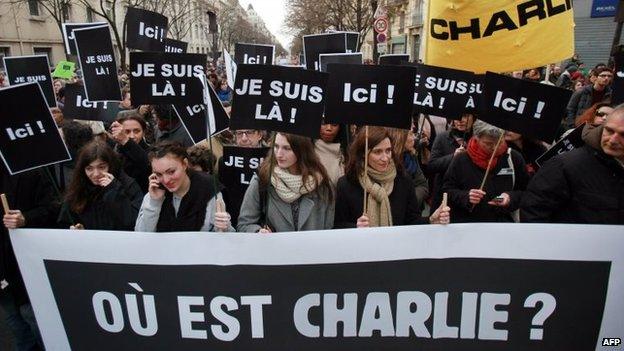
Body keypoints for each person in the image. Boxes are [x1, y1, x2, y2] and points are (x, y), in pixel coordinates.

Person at [520, 107, 624, 224]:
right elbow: (533, 211)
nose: (613, 140)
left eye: (623, 135)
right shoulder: (565, 165)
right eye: (609, 131)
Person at [334, 127, 450, 228]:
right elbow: (338, 225)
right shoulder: (346, 184)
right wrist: (356, 227)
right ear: (363, 153)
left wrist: (431, 220)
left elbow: (412, 222)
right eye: (377, 152)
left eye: (388, 150)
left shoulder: (404, 181)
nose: (385, 158)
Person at [1, 164, 57, 351]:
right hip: (4, 276)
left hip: (22, 267)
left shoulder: (30, 169)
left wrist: (26, 219)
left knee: (33, 320)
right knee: (16, 325)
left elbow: (52, 208)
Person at [237, 133, 334, 232]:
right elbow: (244, 224)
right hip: (274, 247)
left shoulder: (321, 184)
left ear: (301, 150)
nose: (279, 154)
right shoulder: (262, 181)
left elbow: (329, 229)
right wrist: (258, 231)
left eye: (287, 148)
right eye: (276, 146)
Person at [135, 141, 233, 232]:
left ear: (185, 164)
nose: (166, 180)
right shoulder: (155, 190)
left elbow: (227, 236)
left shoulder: (208, 189)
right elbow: (141, 235)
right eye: (158, 174)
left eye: (171, 171)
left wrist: (224, 226)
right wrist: (154, 203)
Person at [442, 121, 529, 223]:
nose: (494, 147)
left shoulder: (513, 157)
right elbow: (447, 190)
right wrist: (466, 196)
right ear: (477, 138)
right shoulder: (461, 159)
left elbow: (527, 191)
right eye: (488, 143)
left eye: (499, 142)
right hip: (468, 223)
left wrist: (510, 198)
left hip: (503, 223)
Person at [59, 141, 143, 230]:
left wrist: (114, 192)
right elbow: (65, 220)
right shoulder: (78, 188)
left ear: (111, 166)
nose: (95, 174)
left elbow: (135, 221)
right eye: (89, 168)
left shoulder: (128, 185)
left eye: (101, 167)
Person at [428, 114, 474, 210]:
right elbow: (432, 165)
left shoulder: (477, 139)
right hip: (444, 197)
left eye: (465, 116)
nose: (460, 120)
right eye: (457, 116)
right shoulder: (442, 138)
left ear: (473, 118)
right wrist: (453, 156)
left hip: (468, 195)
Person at [110, 114, 151, 193]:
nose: (132, 136)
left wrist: (126, 141)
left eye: (137, 131)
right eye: (126, 132)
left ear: (143, 132)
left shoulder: (152, 151)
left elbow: (147, 164)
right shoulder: (114, 151)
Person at [314, 123, 346, 187]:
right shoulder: (307, 152)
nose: (329, 128)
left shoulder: (347, 153)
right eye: (323, 123)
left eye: (334, 124)